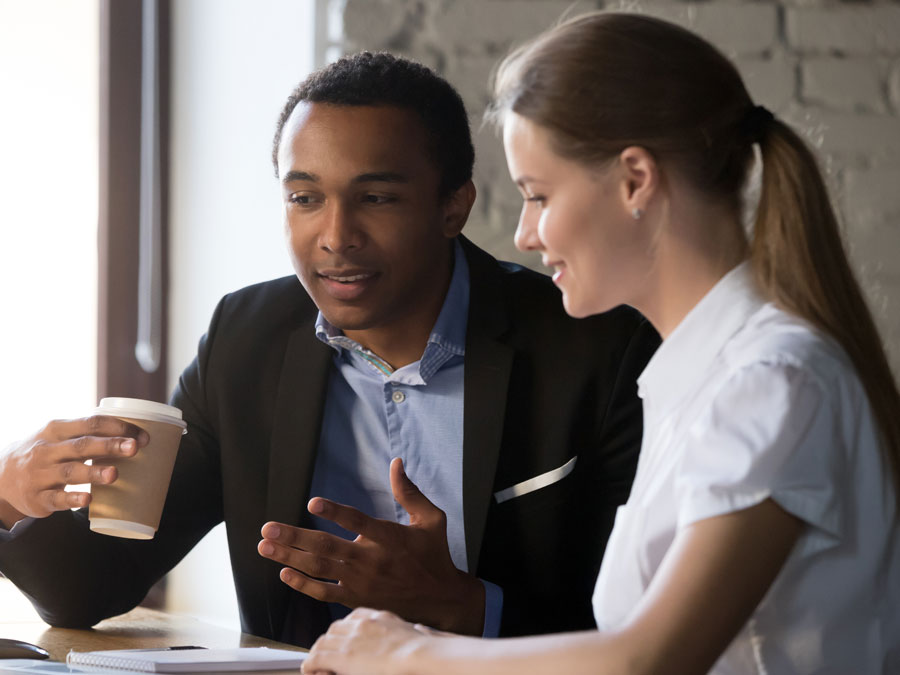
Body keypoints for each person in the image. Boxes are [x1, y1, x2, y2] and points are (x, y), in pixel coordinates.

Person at [302, 12, 900, 675]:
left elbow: (647, 659)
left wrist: (405, 651)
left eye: (538, 195)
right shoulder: (693, 376)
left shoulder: (773, 379)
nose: (525, 234)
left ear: (635, 180)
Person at [0, 52, 658, 647]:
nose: (336, 236)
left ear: (453, 206)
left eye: (375, 197)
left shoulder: (595, 347)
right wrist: (9, 495)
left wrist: (462, 605)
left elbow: (664, 628)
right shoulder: (246, 339)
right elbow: (89, 586)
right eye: (304, 197)